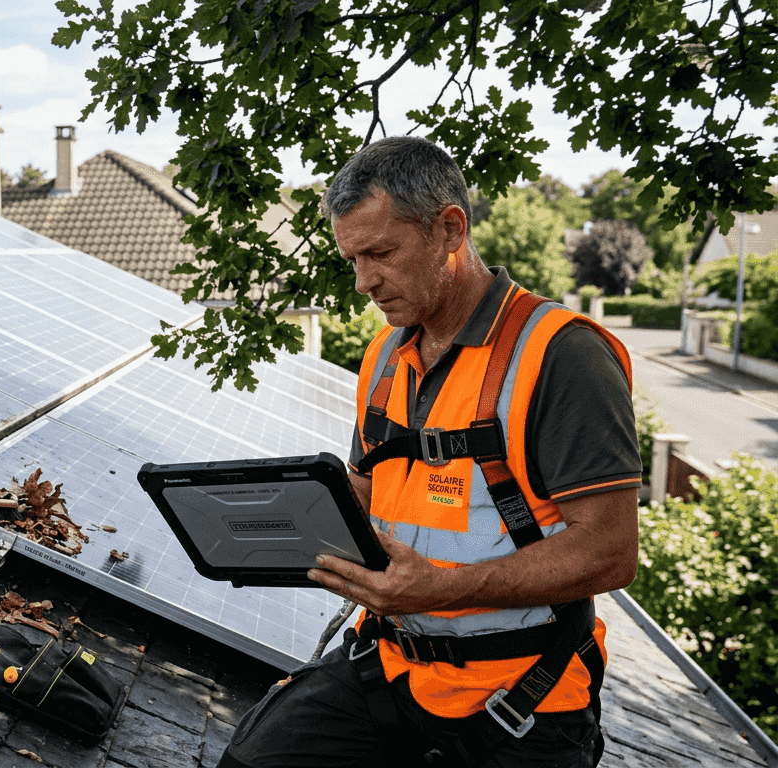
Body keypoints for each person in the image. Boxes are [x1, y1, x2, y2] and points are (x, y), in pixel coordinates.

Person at [219, 137, 640, 768]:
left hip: (522, 697)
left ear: (449, 229)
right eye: (352, 259)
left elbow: (611, 552)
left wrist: (440, 589)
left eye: (380, 253)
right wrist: (267, 527)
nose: (364, 282)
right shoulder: (386, 357)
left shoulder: (563, 355)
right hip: (386, 669)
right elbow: (363, 494)